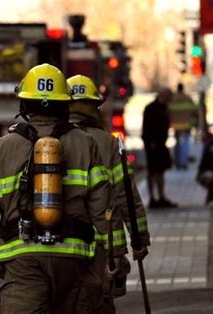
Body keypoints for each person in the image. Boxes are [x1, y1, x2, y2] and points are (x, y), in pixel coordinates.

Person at [0, 64, 127, 313]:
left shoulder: (2, 148)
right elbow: (104, 208)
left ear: (25, 105)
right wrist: (115, 253)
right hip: (73, 260)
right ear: (65, 104)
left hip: (22, 261)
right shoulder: (85, 144)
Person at [68, 75, 150, 313]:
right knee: (100, 303)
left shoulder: (49, 141)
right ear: (95, 107)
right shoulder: (108, 143)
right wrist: (139, 240)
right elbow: (126, 196)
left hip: (60, 243)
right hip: (102, 246)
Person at [142, 88, 177, 208]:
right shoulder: (151, 108)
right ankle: (153, 198)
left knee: (160, 171)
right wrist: (151, 143)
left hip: (161, 143)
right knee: (152, 171)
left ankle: (161, 196)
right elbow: (147, 128)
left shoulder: (163, 108)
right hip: (153, 145)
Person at [168, 83, 198, 169]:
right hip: (186, 125)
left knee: (177, 144)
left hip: (176, 126)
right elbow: (194, 111)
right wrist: (195, 123)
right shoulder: (188, 98)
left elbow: (168, 112)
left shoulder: (172, 99)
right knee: (185, 144)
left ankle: (177, 162)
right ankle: (184, 162)